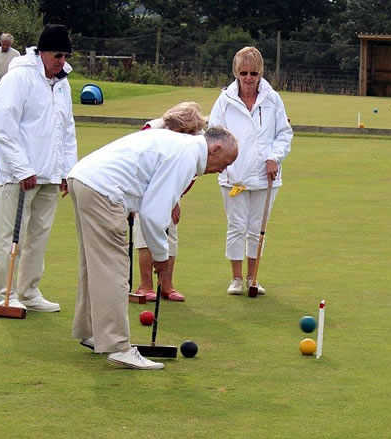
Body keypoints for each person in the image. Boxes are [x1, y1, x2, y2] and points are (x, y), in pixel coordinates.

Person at [67, 127, 237, 370]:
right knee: (114, 269)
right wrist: (161, 256)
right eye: (226, 162)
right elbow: (153, 215)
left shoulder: (183, 146)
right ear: (216, 148)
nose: (224, 169)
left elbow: (150, 202)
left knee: (94, 265)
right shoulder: (187, 155)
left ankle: (92, 331)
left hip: (84, 179)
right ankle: (118, 347)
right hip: (103, 190)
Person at [0, 24, 77, 312]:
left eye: (65, 55)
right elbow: (4, 127)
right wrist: (21, 168)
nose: (61, 61)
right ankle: (6, 294)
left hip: (50, 175)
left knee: (38, 237)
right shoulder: (19, 78)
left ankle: (29, 292)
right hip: (20, 176)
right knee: (10, 236)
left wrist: (67, 171)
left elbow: (67, 130)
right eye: (57, 54)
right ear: (41, 52)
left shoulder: (63, 83)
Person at [209, 46, 293, 296]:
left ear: (260, 73)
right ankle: (236, 278)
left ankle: (252, 278)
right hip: (233, 177)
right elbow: (214, 133)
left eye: (253, 73)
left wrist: (274, 158)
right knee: (236, 227)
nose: (248, 78)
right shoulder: (225, 100)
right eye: (243, 73)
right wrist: (221, 160)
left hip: (265, 177)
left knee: (256, 230)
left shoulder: (273, 99)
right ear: (236, 72)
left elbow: (284, 133)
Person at [133, 102, 208, 302]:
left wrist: (174, 200)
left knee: (170, 235)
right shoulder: (151, 131)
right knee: (145, 235)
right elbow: (139, 168)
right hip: (143, 189)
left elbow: (189, 175)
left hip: (170, 190)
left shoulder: (197, 139)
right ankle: (145, 285)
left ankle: (166, 285)